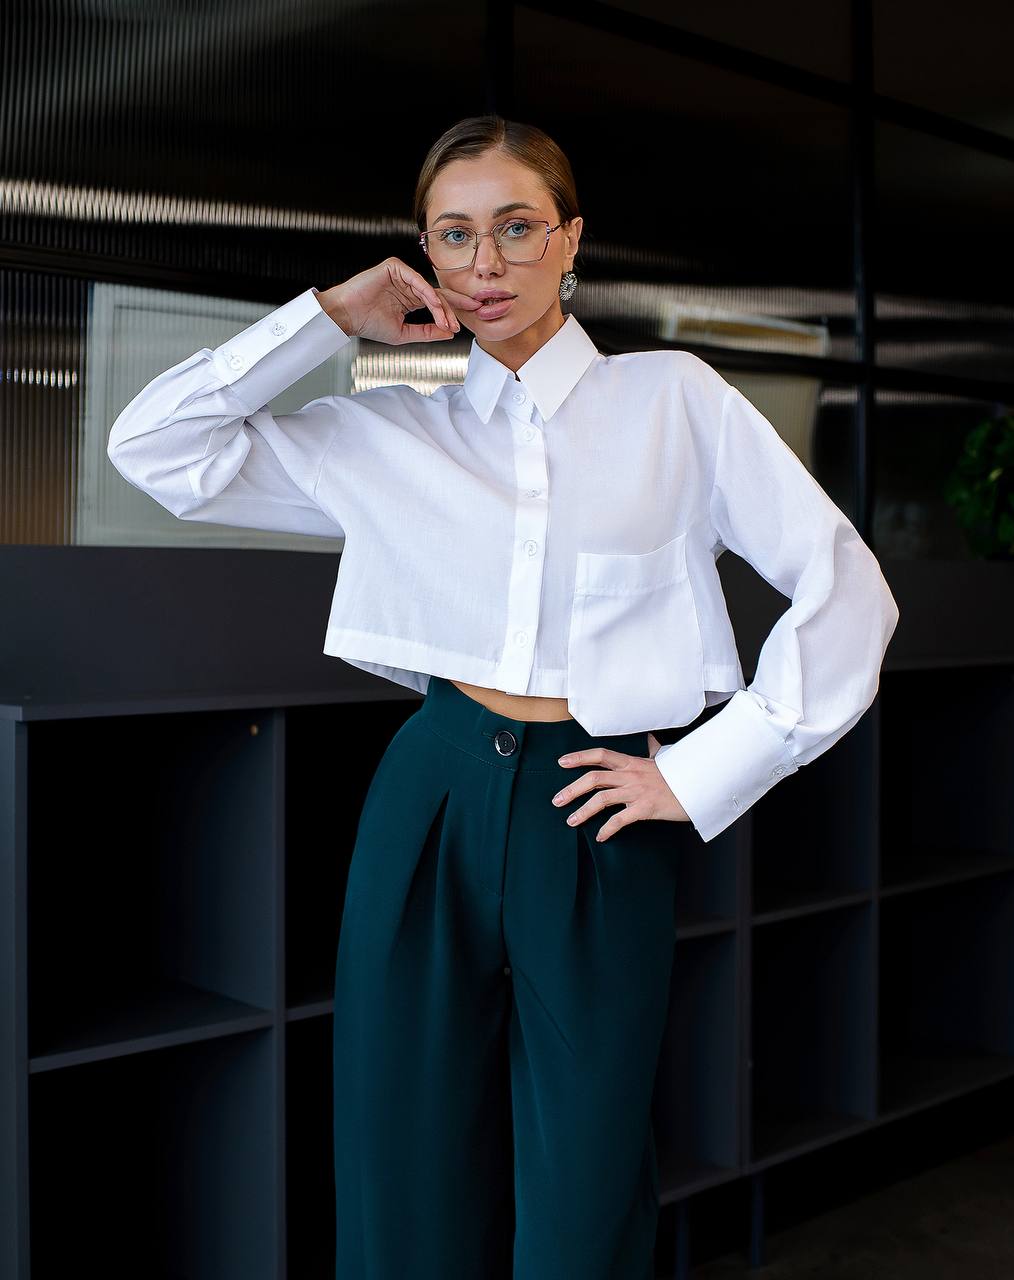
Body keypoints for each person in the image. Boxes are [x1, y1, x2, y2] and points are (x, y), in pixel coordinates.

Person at [107, 114, 899, 1280]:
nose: (485, 262)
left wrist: (698, 769)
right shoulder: (388, 425)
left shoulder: (672, 398)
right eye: (455, 234)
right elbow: (158, 449)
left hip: (596, 802)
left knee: (583, 1174)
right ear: (425, 252)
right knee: (402, 1152)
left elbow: (848, 586)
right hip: (428, 791)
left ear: (569, 239)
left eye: (517, 228)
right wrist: (326, 318)